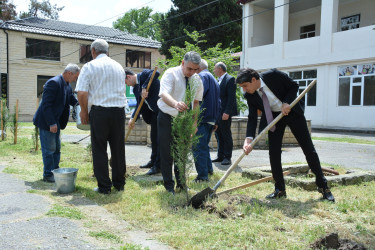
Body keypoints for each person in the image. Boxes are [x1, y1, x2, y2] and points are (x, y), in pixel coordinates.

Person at [236, 68, 335, 202]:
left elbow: (293, 86)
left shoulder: (274, 75)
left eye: (245, 86)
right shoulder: (250, 95)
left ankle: (324, 187)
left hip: (292, 112)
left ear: (253, 80)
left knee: (308, 149)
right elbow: (252, 117)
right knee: (274, 153)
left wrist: (286, 102)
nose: (244, 90)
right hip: (274, 118)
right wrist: (248, 140)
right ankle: (280, 189)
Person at [75, 39, 126, 195]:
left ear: (93, 51)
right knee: (118, 149)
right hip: (118, 111)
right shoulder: (119, 67)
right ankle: (119, 184)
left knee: (99, 148)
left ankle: (104, 186)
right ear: (108, 51)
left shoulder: (90, 66)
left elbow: (82, 92)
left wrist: (84, 111)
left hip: (100, 111)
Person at [157, 51, 204, 194]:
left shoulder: (196, 79)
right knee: (167, 153)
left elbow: (196, 103)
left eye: (196, 69)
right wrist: (175, 104)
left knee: (182, 153)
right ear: (183, 63)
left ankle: (182, 184)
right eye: (190, 69)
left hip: (184, 120)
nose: (192, 72)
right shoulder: (170, 74)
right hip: (167, 117)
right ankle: (169, 186)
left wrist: (194, 123)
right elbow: (163, 94)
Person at [33, 63, 80, 182]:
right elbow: (46, 105)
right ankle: (48, 174)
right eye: (75, 77)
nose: (76, 79)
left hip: (56, 122)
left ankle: (55, 171)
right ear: (69, 73)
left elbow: (70, 99)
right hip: (47, 122)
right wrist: (52, 123)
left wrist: (80, 104)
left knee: (57, 148)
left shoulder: (67, 85)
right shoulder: (53, 83)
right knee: (49, 149)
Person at [125, 68, 161, 175]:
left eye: (126, 82)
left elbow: (156, 73)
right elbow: (138, 105)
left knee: (158, 140)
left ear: (128, 77)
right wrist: (133, 118)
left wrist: (144, 87)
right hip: (154, 114)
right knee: (154, 139)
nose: (127, 85)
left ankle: (158, 166)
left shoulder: (144, 75)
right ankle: (153, 161)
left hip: (161, 111)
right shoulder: (136, 89)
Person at [192, 59, 220, 182]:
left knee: (198, 147)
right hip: (211, 118)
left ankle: (202, 176)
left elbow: (197, 97)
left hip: (202, 117)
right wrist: (216, 120)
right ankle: (208, 170)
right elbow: (219, 101)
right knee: (204, 146)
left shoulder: (202, 76)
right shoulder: (214, 79)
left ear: (198, 68)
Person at [212, 62, 238, 165]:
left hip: (225, 113)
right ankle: (220, 156)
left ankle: (227, 157)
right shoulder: (218, 80)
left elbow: (231, 98)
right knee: (219, 135)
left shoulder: (230, 79)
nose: (214, 71)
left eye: (215, 69)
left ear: (220, 68)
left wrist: (227, 112)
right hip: (218, 113)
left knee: (226, 134)